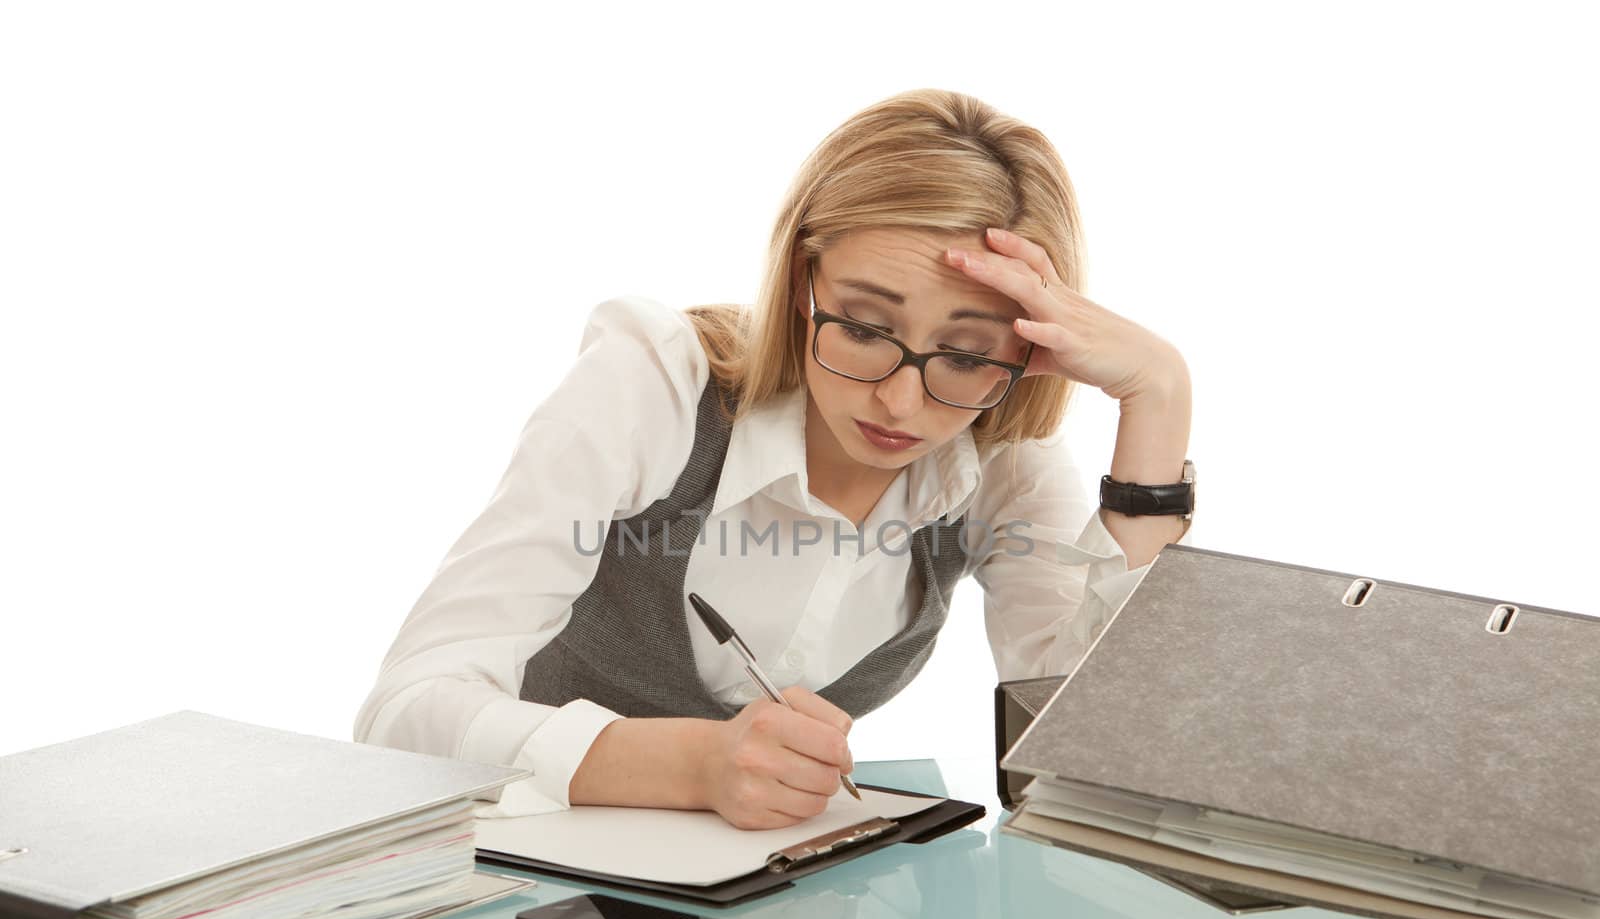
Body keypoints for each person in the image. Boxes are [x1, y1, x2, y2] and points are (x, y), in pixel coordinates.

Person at [352, 88, 1195, 830]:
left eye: (968, 355)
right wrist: (695, 765)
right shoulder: (655, 383)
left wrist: (1158, 398)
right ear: (802, 281)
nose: (901, 403)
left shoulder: (1001, 459)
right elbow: (402, 713)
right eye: (864, 329)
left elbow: (1093, 761)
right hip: (540, 901)